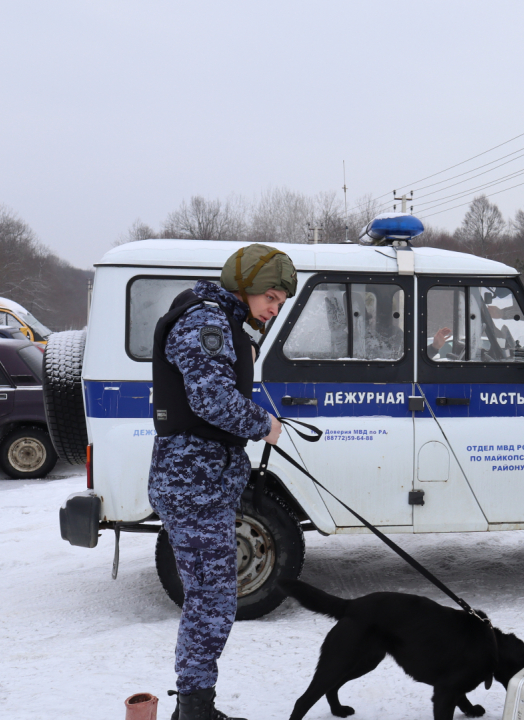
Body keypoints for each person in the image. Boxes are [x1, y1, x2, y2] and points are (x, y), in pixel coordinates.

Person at [149, 244, 297, 720]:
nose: (275, 308)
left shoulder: (220, 320)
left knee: (210, 599)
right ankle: (194, 711)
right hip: (193, 482)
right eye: (272, 296)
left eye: (280, 301)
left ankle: (195, 706)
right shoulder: (206, 321)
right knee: (211, 601)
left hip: (203, 480)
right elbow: (212, 400)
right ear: (245, 285)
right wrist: (264, 425)